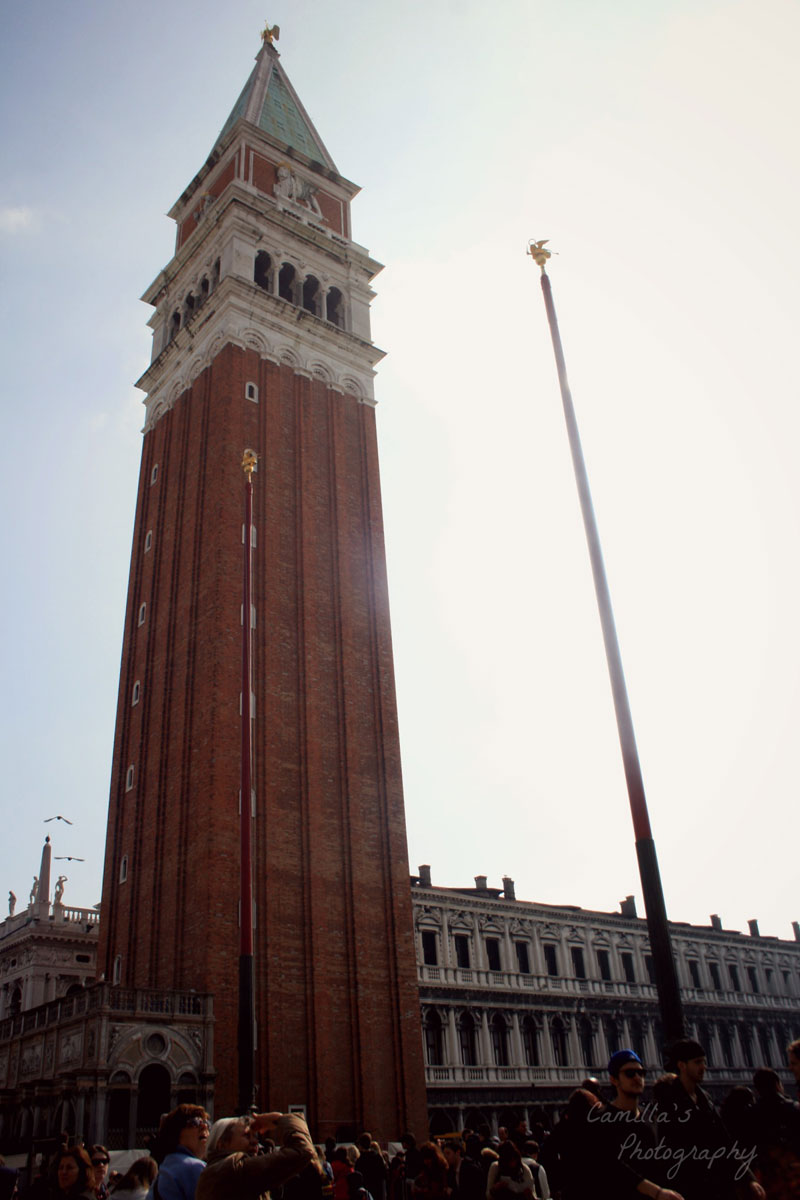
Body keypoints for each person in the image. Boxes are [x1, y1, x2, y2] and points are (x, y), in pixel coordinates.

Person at [659, 1038, 764, 1200]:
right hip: (688, 1188)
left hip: (716, 1185)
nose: (703, 1067)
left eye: (704, 1062)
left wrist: (748, 1178)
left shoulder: (705, 1098)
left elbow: (724, 1141)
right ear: (682, 1066)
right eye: (697, 1062)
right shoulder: (667, 1101)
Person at [590, 1049, 684, 1200]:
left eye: (641, 1073)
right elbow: (612, 1167)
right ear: (614, 1079)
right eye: (629, 1073)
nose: (637, 1077)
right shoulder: (601, 1120)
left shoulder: (651, 1118)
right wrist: (656, 1192)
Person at [196, 1111, 316, 1200]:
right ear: (222, 1144)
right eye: (247, 1135)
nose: (255, 1141)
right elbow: (302, 1150)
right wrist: (281, 1119)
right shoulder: (234, 1167)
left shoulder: (216, 1170)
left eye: (255, 1136)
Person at [146, 1105, 210, 1200]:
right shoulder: (193, 1167)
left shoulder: (169, 1165)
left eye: (207, 1123)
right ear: (176, 1133)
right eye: (195, 1122)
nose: (204, 1126)